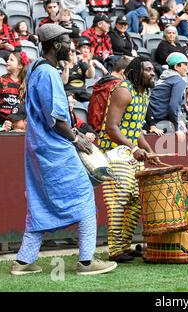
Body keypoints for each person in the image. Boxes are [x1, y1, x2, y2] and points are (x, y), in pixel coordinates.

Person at [11, 23, 117, 276]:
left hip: (37, 146)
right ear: (56, 44)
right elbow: (57, 119)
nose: (71, 47)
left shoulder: (35, 68)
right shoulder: (48, 73)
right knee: (84, 197)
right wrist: (75, 138)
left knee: (39, 202)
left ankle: (24, 262)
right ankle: (87, 261)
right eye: (68, 42)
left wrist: (73, 132)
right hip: (55, 147)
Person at [97, 56, 162, 263]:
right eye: (148, 70)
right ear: (136, 71)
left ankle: (124, 246)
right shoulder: (123, 91)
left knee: (135, 201)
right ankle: (115, 249)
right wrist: (134, 148)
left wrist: (149, 150)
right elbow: (111, 128)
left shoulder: (144, 94)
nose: (153, 73)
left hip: (129, 153)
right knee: (120, 200)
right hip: (114, 154)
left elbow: (135, 129)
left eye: (153, 70)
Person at [145, 52, 188, 140]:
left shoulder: (163, 78)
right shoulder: (178, 81)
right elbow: (174, 106)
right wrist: (176, 128)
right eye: (186, 64)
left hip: (151, 121)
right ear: (177, 67)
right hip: (161, 124)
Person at [88, 56, 132, 132]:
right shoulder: (119, 87)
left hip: (95, 128)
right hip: (110, 131)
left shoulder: (100, 83)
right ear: (123, 72)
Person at [0, 52, 30, 124]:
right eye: (8, 59)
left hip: (18, 120)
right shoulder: (1, 80)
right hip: (2, 119)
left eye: (11, 60)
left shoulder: (25, 83)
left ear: (20, 66)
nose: (7, 61)